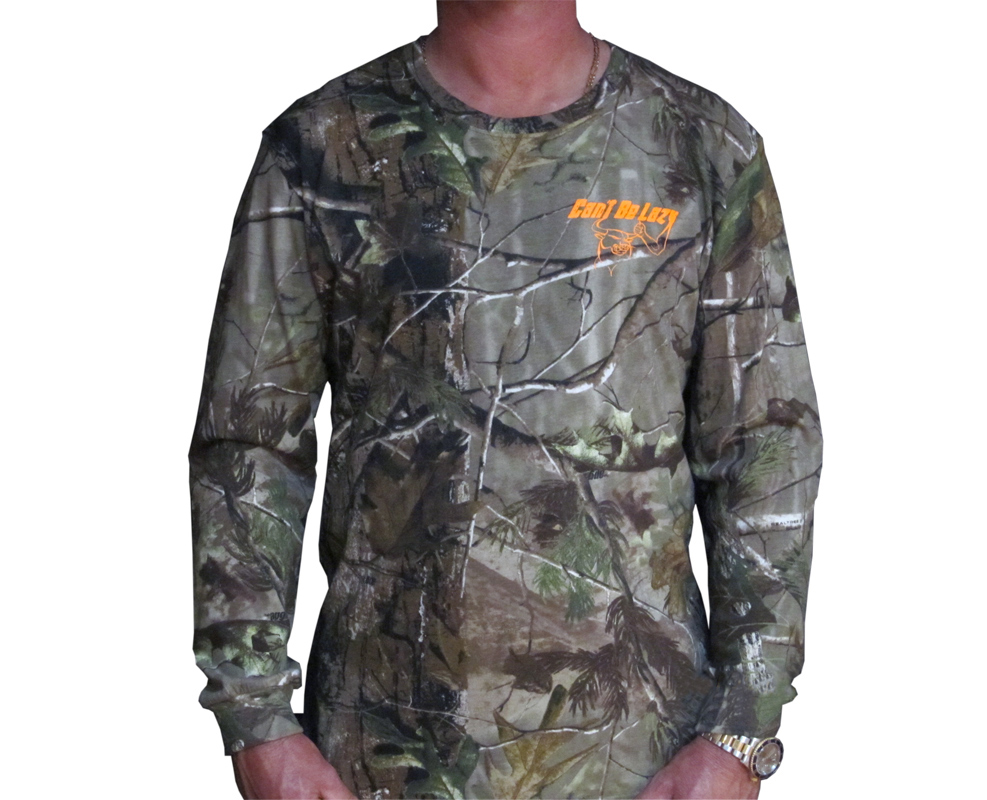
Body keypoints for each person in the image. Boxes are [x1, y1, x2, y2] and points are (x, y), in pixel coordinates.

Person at [189, 2, 822, 798]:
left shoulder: (700, 146)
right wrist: (255, 717)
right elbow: (250, 442)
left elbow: (766, 444)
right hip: (382, 755)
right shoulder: (323, 147)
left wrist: (743, 727)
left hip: (643, 756)